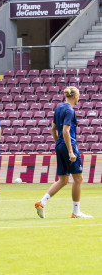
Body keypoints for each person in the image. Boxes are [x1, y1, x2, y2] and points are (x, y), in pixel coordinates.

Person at [35, 86, 92, 218]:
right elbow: (66, 131)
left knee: (63, 179)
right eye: (78, 95)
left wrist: (58, 143)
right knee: (78, 178)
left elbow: (53, 129)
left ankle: (41, 202)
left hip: (60, 145)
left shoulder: (59, 108)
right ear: (74, 96)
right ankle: (76, 212)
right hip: (68, 144)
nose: (79, 98)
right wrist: (71, 151)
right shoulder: (69, 110)